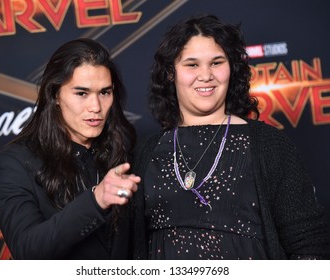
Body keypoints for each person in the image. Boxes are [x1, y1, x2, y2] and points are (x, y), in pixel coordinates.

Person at [132, 14, 328, 260]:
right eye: (192, 65)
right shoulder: (146, 152)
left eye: (216, 62)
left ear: (231, 68)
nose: (206, 75)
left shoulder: (270, 145)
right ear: (171, 73)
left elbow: (309, 244)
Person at [0, 38, 140, 260]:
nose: (96, 107)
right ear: (55, 94)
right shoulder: (13, 163)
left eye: (104, 92)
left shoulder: (123, 155)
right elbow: (27, 250)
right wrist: (96, 200)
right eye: (81, 93)